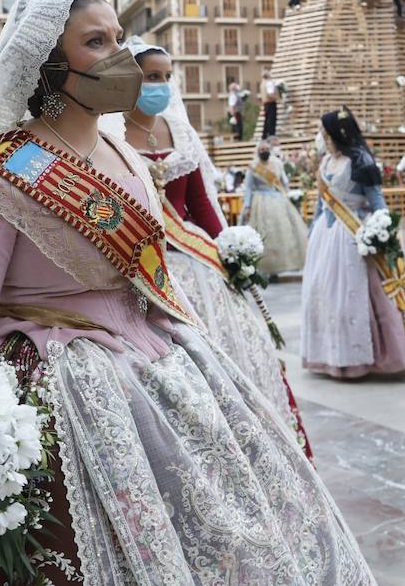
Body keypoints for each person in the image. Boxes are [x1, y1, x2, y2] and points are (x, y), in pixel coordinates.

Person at [0, 0, 367, 581]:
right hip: (68, 388)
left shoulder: (123, 153)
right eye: (96, 42)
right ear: (47, 63)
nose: (119, 56)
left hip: (165, 363)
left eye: (118, 38)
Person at [106, 37, 311, 452]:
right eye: (151, 77)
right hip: (140, 270)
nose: (161, 85)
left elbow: (200, 203)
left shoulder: (180, 131)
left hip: (193, 263)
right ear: (130, 78)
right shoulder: (109, 134)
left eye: (166, 77)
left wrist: (227, 250)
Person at [301, 107, 405, 377]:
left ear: (337, 134)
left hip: (356, 234)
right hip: (328, 236)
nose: (322, 137)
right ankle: (333, 355)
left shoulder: (361, 162)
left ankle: (367, 357)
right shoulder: (326, 162)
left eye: (325, 132)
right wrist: (313, 229)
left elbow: (377, 201)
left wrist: (384, 231)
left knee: (355, 297)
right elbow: (323, 203)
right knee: (325, 295)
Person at [241, 140, 309, 279]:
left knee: (283, 232)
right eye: (261, 149)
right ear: (257, 151)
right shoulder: (253, 167)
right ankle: (262, 268)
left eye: (266, 148)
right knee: (263, 233)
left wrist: (289, 196)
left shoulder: (278, 164)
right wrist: (247, 205)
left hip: (278, 200)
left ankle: (281, 266)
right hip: (260, 202)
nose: (264, 151)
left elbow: (284, 182)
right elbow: (248, 188)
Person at [260, 69, 280, 139]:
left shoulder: (263, 83)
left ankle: (265, 135)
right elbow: (270, 93)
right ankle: (271, 134)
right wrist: (277, 98)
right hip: (271, 103)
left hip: (266, 103)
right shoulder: (269, 82)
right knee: (272, 119)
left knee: (267, 120)